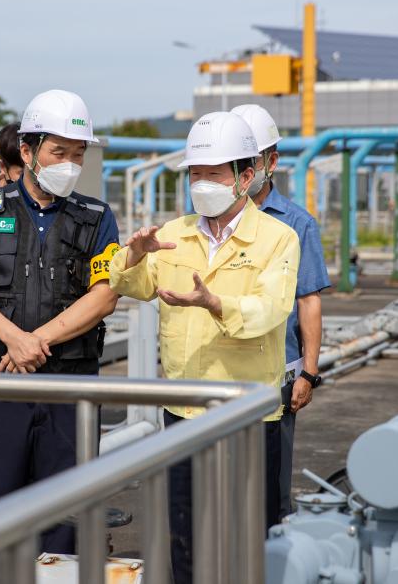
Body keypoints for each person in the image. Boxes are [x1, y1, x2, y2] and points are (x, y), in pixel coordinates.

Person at [109, 111, 300, 584]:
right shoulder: (173, 235)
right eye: (195, 174)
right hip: (184, 411)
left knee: (247, 538)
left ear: (245, 177)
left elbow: (271, 309)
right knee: (184, 536)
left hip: (247, 414)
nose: (202, 184)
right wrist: (132, 254)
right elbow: (129, 285)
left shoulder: (279, 238)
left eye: (213, 174)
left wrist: (214, 302)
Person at [0, 89, 120, 583]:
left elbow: (104, 296)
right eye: (58, 153)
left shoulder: (97, 217)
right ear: (27, 151)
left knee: (66, 514)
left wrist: (32, 340)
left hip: (70, 388)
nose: (70, 165)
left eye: (78, 155)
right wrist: (12, 339)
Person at [231, 104, 331, 519]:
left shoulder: (296, 223)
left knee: (268, 489)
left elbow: (308, 301)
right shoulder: (211, 218)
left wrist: (308, 372)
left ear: (271, 162)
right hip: (221, 368)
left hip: (276, 373)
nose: (243, 173)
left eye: (250, 162)